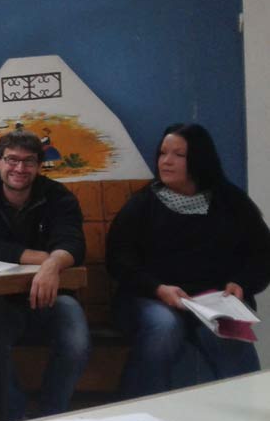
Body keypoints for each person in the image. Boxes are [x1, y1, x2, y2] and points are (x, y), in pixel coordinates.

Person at [107, 123, 270, 397]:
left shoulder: (231, 202)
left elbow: (262, 254)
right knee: (164, 326)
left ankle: (250, 412)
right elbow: (119, 260)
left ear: (199, 160)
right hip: (153, 297)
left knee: (228, 331)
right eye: (162, 153)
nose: (166, 161)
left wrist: (241, 283)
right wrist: (158, 288)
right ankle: (141, 407)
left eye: (178, 155)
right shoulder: (142, 204)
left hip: (214, 301)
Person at [0, 128, 89, 421]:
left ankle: (50, 416)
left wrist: (52, 266)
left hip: (52, 297)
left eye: (28, 161)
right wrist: (45, 259)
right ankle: (16, 419)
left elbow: (74, 244)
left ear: (39, 166)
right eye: (12, 160)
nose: (19, 168)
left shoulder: (58, 196)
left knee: (77, 341)